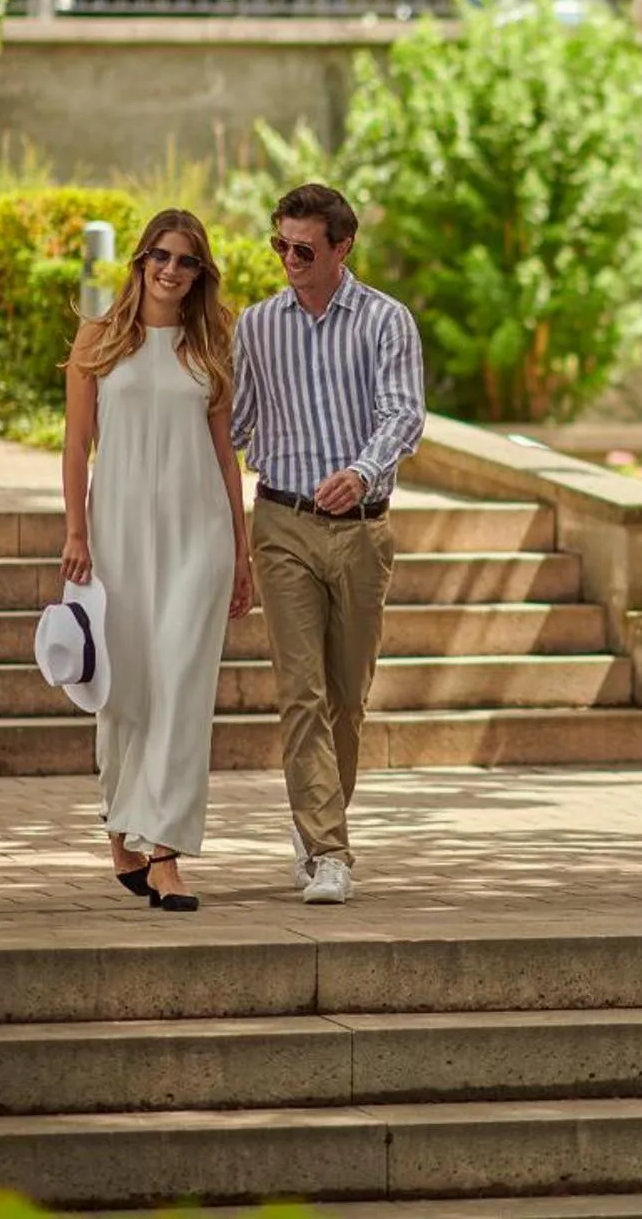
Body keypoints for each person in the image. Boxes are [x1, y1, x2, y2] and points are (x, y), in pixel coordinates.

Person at [231, 183, 426, 906]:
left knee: (347, 699)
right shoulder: (256, 326)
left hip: (362, 532)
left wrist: (362, 470)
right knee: (301, 695)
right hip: (280, 523)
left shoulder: (385, 321)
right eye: (279, 245)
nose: (289, 259)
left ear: (342, 248)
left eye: (304, 248)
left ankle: (315, 818)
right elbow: (236, 425)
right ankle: (329, 849)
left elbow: (404, 416)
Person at [59, 209, 254, 913]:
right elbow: (77, 446)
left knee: (181, 687)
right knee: (127, 687)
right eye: (160, 257)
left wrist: (241, 548)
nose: (172, 270)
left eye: (187, 261)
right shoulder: (99, 339)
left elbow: (225, 455)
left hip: (197, 533)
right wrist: (77, 533)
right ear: (139, 262)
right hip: (117, 535)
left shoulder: (208, 347)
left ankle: (166, 851)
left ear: (201, 274)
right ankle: (120, 824)